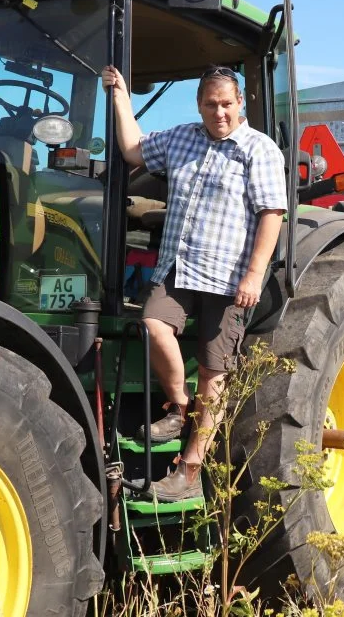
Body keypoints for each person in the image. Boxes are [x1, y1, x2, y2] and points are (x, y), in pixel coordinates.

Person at [103, 64, 287, 501]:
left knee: (213, 373)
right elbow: (132, 151)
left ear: (239, 103)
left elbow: (271, 215)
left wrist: (254, 276)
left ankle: (187, 470)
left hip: (228, 279)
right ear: (199, 105)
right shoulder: (183, 138)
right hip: (179, 268)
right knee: (152, 324)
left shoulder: (258, 150)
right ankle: (180, 405)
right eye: (210, 104)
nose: (219, 112)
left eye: (226, 104)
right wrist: (120, 94)